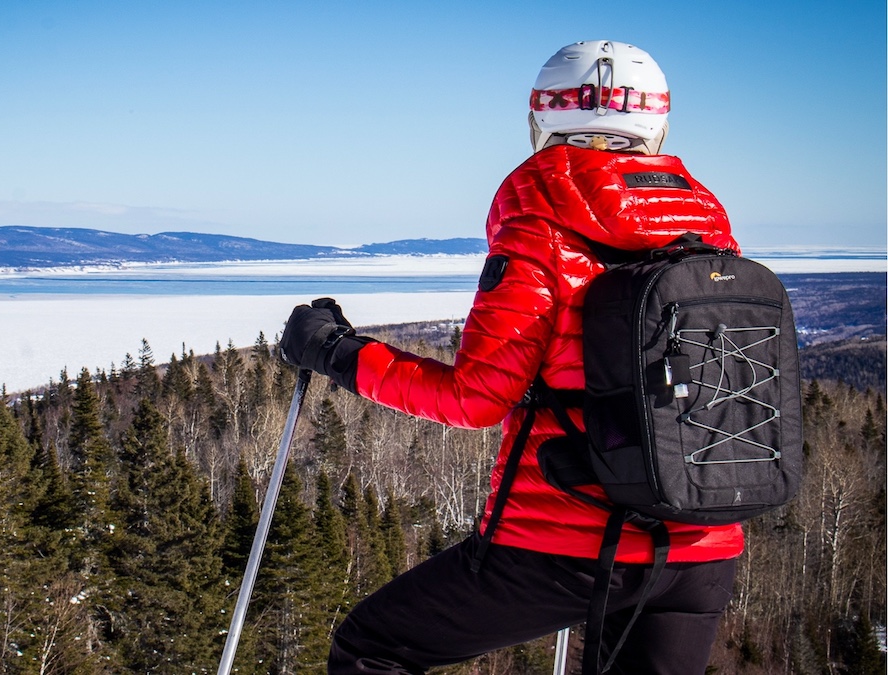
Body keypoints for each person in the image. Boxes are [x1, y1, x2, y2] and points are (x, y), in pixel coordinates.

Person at [280, 40, 742, 674]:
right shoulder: (710, 235)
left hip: (566, 542)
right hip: (702, 547)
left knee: (373, 648)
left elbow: (473, 398)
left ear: (540, 123)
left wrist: (335, 353)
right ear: (657, 124)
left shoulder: (540, 227)